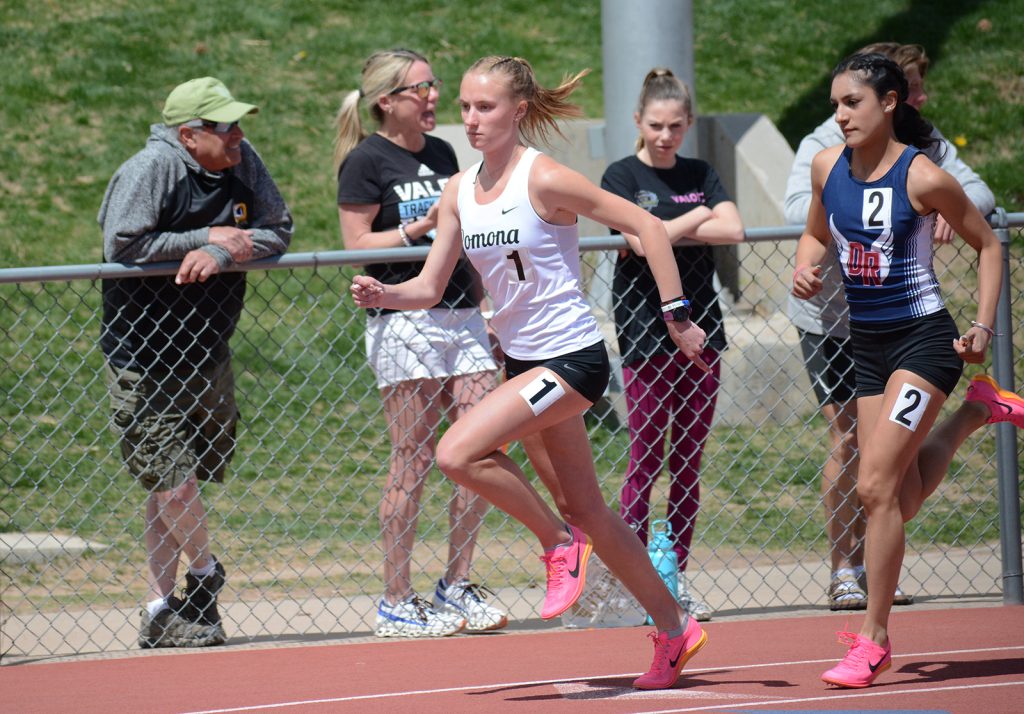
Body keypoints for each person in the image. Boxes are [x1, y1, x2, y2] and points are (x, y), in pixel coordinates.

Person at [352, 54, 710, 690]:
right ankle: (675, 628)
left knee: (457, 451)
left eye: (484, 107)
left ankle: (556, 547)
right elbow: (432, 286)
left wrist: (676, 315)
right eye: (464, 107)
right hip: (522, 362)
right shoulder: (459, 190)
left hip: (571, 359)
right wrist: (386, 296)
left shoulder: (543, 178)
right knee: (590, 510)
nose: (471, 118)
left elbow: (648, 227)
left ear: (518, 111)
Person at [792, 52, 1024, 688]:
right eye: (835, 104)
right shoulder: (825, 168)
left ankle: (873, 639)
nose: (840, 115)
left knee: (872, 488)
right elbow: (815, 234)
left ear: (889, 103)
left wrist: (981, 325)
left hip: (924, 340)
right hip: (866, 344)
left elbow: (989, 243)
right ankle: (979, 411)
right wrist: (805, 265)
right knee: (891, 491)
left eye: (852, 103)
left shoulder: (922, 177)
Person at [98, 77, 293, 648]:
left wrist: (226, 247)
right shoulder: (152, 169)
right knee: (175, 487)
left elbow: (277, 229)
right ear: (189, 135)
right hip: (144, 355)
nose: (237, 136)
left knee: (171, 489)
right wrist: (204, 236)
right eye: (224, 126)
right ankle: (206, 573)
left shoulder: (242, 160)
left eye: (237, 124)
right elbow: (123, 244)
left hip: (208, 350)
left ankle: (161, 610)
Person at [334, 48, 507, 638]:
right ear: (388, 101)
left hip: (462, 315)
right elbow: (357, 244)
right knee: (412, 458)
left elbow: (467, 237)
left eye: (434, 86)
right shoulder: (365, 160)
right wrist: (420, 225)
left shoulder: (443, 152)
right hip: (403, 319)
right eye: (422, 88)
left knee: (480, 453)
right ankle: (396, 598)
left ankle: (456, 582)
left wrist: (489, 307)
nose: (434, 97)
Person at [601, 68, 744, 622]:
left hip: (702, 328)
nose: (665, 136)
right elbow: (632, 242)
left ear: (687, 124)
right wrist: (695, 216)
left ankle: (674, 574)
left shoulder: (701, 171)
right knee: (645, 458)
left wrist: (666, 224)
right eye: (656, 125)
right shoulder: (620, 176)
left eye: (676, 126)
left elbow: (733, 231)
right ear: (638, 121)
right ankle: (628, 577)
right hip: (644, 327)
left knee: (688, 460)